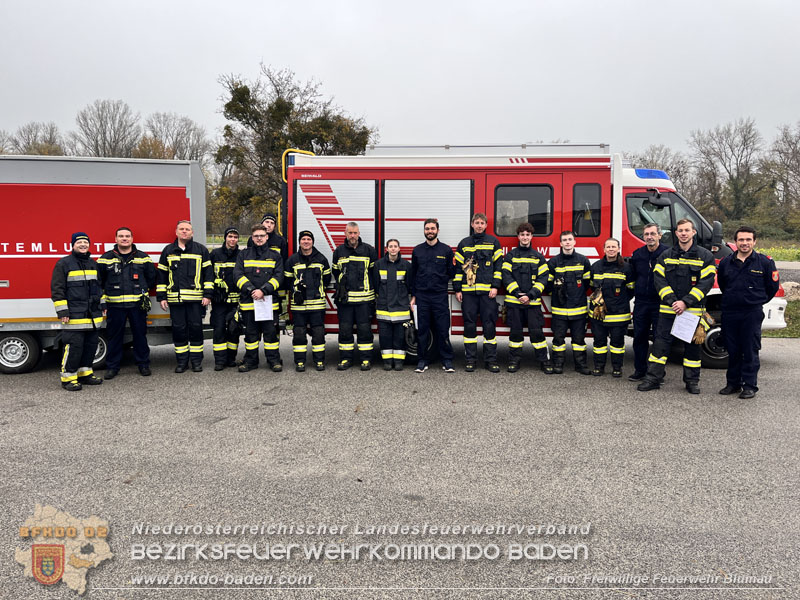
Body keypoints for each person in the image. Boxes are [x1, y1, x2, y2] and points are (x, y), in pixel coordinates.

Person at [637, 218, 716, 394]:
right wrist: (673, 300)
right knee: (660, 346)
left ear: (693, 232)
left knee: (692, 348)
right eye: (680, 230)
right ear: (676, 233)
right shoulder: (665, 256)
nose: (683, 233)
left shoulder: (705, 256)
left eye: (687, 230)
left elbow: (706, 283)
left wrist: (685, 302)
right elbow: (659, 281)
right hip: (668, 309)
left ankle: (692, 382)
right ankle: (653, 379)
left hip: (692, 312)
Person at [717, 226, 779, 399]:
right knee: (732, 349)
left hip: (751, 313)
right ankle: (733, 384)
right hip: (730, 312)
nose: (744, 243)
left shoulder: (765, 263)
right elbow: (723, 284)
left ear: (754, 241)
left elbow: (771, 288)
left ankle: (750, 386)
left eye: (748, 240)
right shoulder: (725, 262)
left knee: (750, 349)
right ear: (735, 242)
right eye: (741, 240)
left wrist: (755, 301)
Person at [97, 227, 156, 379]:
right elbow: (98, 282)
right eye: (121, 236)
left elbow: (152, 278)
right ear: (115, 239)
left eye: (127, 236)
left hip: (137, 306)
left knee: (140, 336)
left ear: (132, 239)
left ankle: (143, 364)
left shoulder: (143, 258)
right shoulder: (105, 258)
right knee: (114, 337)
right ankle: (112, 367)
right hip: (115, 306)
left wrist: (142, 290)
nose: (124, 238)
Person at [156, 220, 214, 373]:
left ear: (192, 232)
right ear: (176, 232)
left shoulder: (201, 250)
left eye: (187, 229)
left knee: (196, 330)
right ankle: (182, 362)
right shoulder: (168, 250)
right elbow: (161, 275)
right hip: (175, 300)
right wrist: (162, 297)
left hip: (196, 301)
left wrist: (208, 295)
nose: (184, 231)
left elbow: (208, 275)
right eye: (181, 229)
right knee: (179, 330)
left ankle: (196, 362)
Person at [51, 232, 106, 391]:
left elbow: (99, 288)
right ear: (73, 245)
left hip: (92, 315)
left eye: (85, 242)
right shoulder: (64, 264)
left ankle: (85, 374)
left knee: (90, 346)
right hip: (74, 315)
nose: (83, 245)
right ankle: (68, 378)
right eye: (79, 242)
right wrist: (63, 311)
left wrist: (102, 306)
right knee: (74, 347)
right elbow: (57, 289)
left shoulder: (92, 263)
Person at [454, 213, 503, 373]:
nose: (479, 225)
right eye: (477, 223)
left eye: (482, 223)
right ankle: (471, 360)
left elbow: (498, 267)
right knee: (469, 326)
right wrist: (457, 288)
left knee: (489, 326)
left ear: (486, 225)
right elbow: (458, 268)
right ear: (472, 224)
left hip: (488, 293)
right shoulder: (464, 243)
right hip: (468, 294)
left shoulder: (493, 242)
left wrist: (495, 286)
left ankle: (491, 360)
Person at [502, 222, 552, 373]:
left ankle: (544, 361)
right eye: (522, 235)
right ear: (518, 236)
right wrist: (517, 293)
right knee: (515, 333)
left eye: (527, 235)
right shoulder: (510, 256)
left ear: (531, 236)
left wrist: (530, 295)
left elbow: (544, 278)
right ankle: (514, 361)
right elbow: (506, 276)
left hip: (533, 303)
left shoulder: (538, 257)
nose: (525, 237)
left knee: (537, 333)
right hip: (514, 302)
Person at [234, 224, 284, 372]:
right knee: (251, 335)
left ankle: (274, 360)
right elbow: (237, 275)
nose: (259, 238)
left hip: (268, 303)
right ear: (252, 237)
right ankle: (250, 361)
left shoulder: (275, 256)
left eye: (262, 235)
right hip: (250, 303)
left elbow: (278, 277)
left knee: (270, 335)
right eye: (256, 236)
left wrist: (263, 290)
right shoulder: (243, 255)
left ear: (267, 236)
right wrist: (251, 290)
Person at [409, 218, 455, 373]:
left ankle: (447, 360)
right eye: (427, 229)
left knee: (443, 329)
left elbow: (451, 272)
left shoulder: (446, 250)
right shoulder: (417, 251)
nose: (430, 231)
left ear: (438, 231)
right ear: (424, 231)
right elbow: (413, 275)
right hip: (422, 296)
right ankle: (422, 361)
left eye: (432, 228)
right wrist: (413, 295)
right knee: (422, 330)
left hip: (439, 296)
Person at [331, 222, 378, 371]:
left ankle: (365, 359)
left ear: (359, 233)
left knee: (365, 331)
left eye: (355, 233)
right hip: (346, 301)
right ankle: (346, 359)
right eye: (350, 233)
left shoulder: (369, 250)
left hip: (364, 300)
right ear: (345, 233)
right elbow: (336, 272)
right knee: (345, 331)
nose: (352, 236)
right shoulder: (339, 251)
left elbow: (373, 274)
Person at [284, 230, 331, 372]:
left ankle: (319, 361)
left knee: (318, 335)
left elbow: (327, 279)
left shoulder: (321, 259)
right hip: (299, 306)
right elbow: (287, 281)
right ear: (299, 242)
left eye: (308, 239)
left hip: (317, 305)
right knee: (299, 334)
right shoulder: (292, 260)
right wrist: (295, 290)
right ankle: (300, 362)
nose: (306, 241)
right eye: (303, 239)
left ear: (312, 242)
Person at [547, 231, 592, 375]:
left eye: (569, 239)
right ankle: (558, 364)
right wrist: (557, 293)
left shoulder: (583, 261)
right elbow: (548, 285)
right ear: (560, 244)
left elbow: (587, 284)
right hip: (559, 309)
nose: (567, 242)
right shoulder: (553, 262)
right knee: (558, 339)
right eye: (564, 240)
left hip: (578, 309)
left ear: (574, 242)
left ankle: (581, 365)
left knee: (579, 340)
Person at [588, 238, 634, 377]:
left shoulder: (626, 268)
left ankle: (617, 368)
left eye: (614, 247)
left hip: (619, 314)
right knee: (599, 342)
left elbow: (631, 289)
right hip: (599, 313)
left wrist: (619, 302)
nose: (611, 249)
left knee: (617, 343)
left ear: (619, 249)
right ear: (604, 249)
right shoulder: (596, 266)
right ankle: (599, 367)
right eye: (608, 247)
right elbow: (592, 287)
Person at [628, 223, 668, 381]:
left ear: (659, 235)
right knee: (639, 338)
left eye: (653, 233)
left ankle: (658, 373)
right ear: (643, 237)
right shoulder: (638, 254)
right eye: (646, 234)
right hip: (642, 303)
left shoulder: (667, 253)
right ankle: (640, 371)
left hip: (660, 303)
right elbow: (633, 277)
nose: (649, 237)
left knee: (660, 339)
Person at [375, 239, 412, 371]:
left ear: (399, 248)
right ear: (386, 249)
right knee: (385, 337)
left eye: (395, 246)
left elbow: (410, 285)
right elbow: (375, 285)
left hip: (401, 308)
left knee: (400, 337)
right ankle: (387, 361)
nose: (393, 249)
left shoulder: (406, 265)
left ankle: (398, 361)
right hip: (384, 308)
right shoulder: (379, 265)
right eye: (390, 246)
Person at [209, 227, 241, 370]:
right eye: (230, 236)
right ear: (225, 238)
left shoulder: (241, 255)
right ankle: (220, 361)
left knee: (234, 330)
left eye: (235, 237)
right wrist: (212, 292)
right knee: (219, 330)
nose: (232, 239)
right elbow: (208, 275)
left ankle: (231, 359)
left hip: (236, 301)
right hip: (219, 301)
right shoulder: (215, 254)